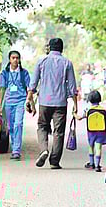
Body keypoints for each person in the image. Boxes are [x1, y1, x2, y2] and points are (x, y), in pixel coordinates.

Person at [27, 38, 78, 169]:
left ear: (49, 48)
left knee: (42, 126)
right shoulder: (67, 63)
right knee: (58, 132)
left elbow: (33, 84)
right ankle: (54, 161)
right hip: (61, 103)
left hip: (44, 101)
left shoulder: (41, 61)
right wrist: (76, 106)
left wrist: (29, 98)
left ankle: (44, 149)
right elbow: (72, 87)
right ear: (62, 48)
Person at [0, 50, 31, 160]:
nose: (15, 60)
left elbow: (29, 89)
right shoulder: (4, 73)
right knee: (11, 127)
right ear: (10, 59)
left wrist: (31, 103)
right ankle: (14, 145)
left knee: (18, 124)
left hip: (20, 101)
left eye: (17, 58)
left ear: (19, 59)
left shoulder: (24, 73)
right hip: (8, 102)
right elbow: (1, 89)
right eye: (13, 58)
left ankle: (16, 150)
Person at [73, 90, 106, 173]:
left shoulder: (88, 109)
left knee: (91, 146)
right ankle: (98, 165)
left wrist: (74, 114)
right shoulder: (104, 110)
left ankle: (91, 163)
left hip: (91, 132)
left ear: (89, 100)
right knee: (98, 148)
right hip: (101, 131)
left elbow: (79, 118)